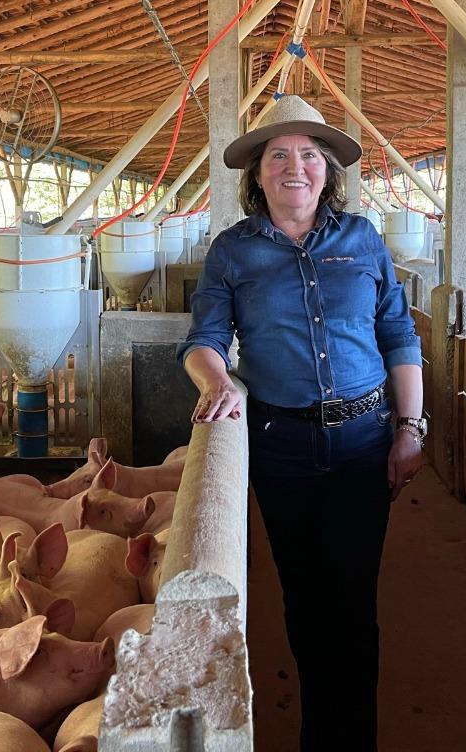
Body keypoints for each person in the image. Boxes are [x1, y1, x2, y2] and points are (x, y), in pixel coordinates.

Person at [178, 94, 425, 751]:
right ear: (256, 175)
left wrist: (411, 428)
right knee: (305, 597)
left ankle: (354, 737)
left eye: (310, 155)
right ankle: (322, 731)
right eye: (279, 156)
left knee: (354, 601)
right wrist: (218, 380)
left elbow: (398, 333)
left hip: (363, 440)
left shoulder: (363, 239)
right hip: (280, 446)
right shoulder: (233, 252)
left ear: (328, 171)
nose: (297, 167)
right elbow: (203, 338)